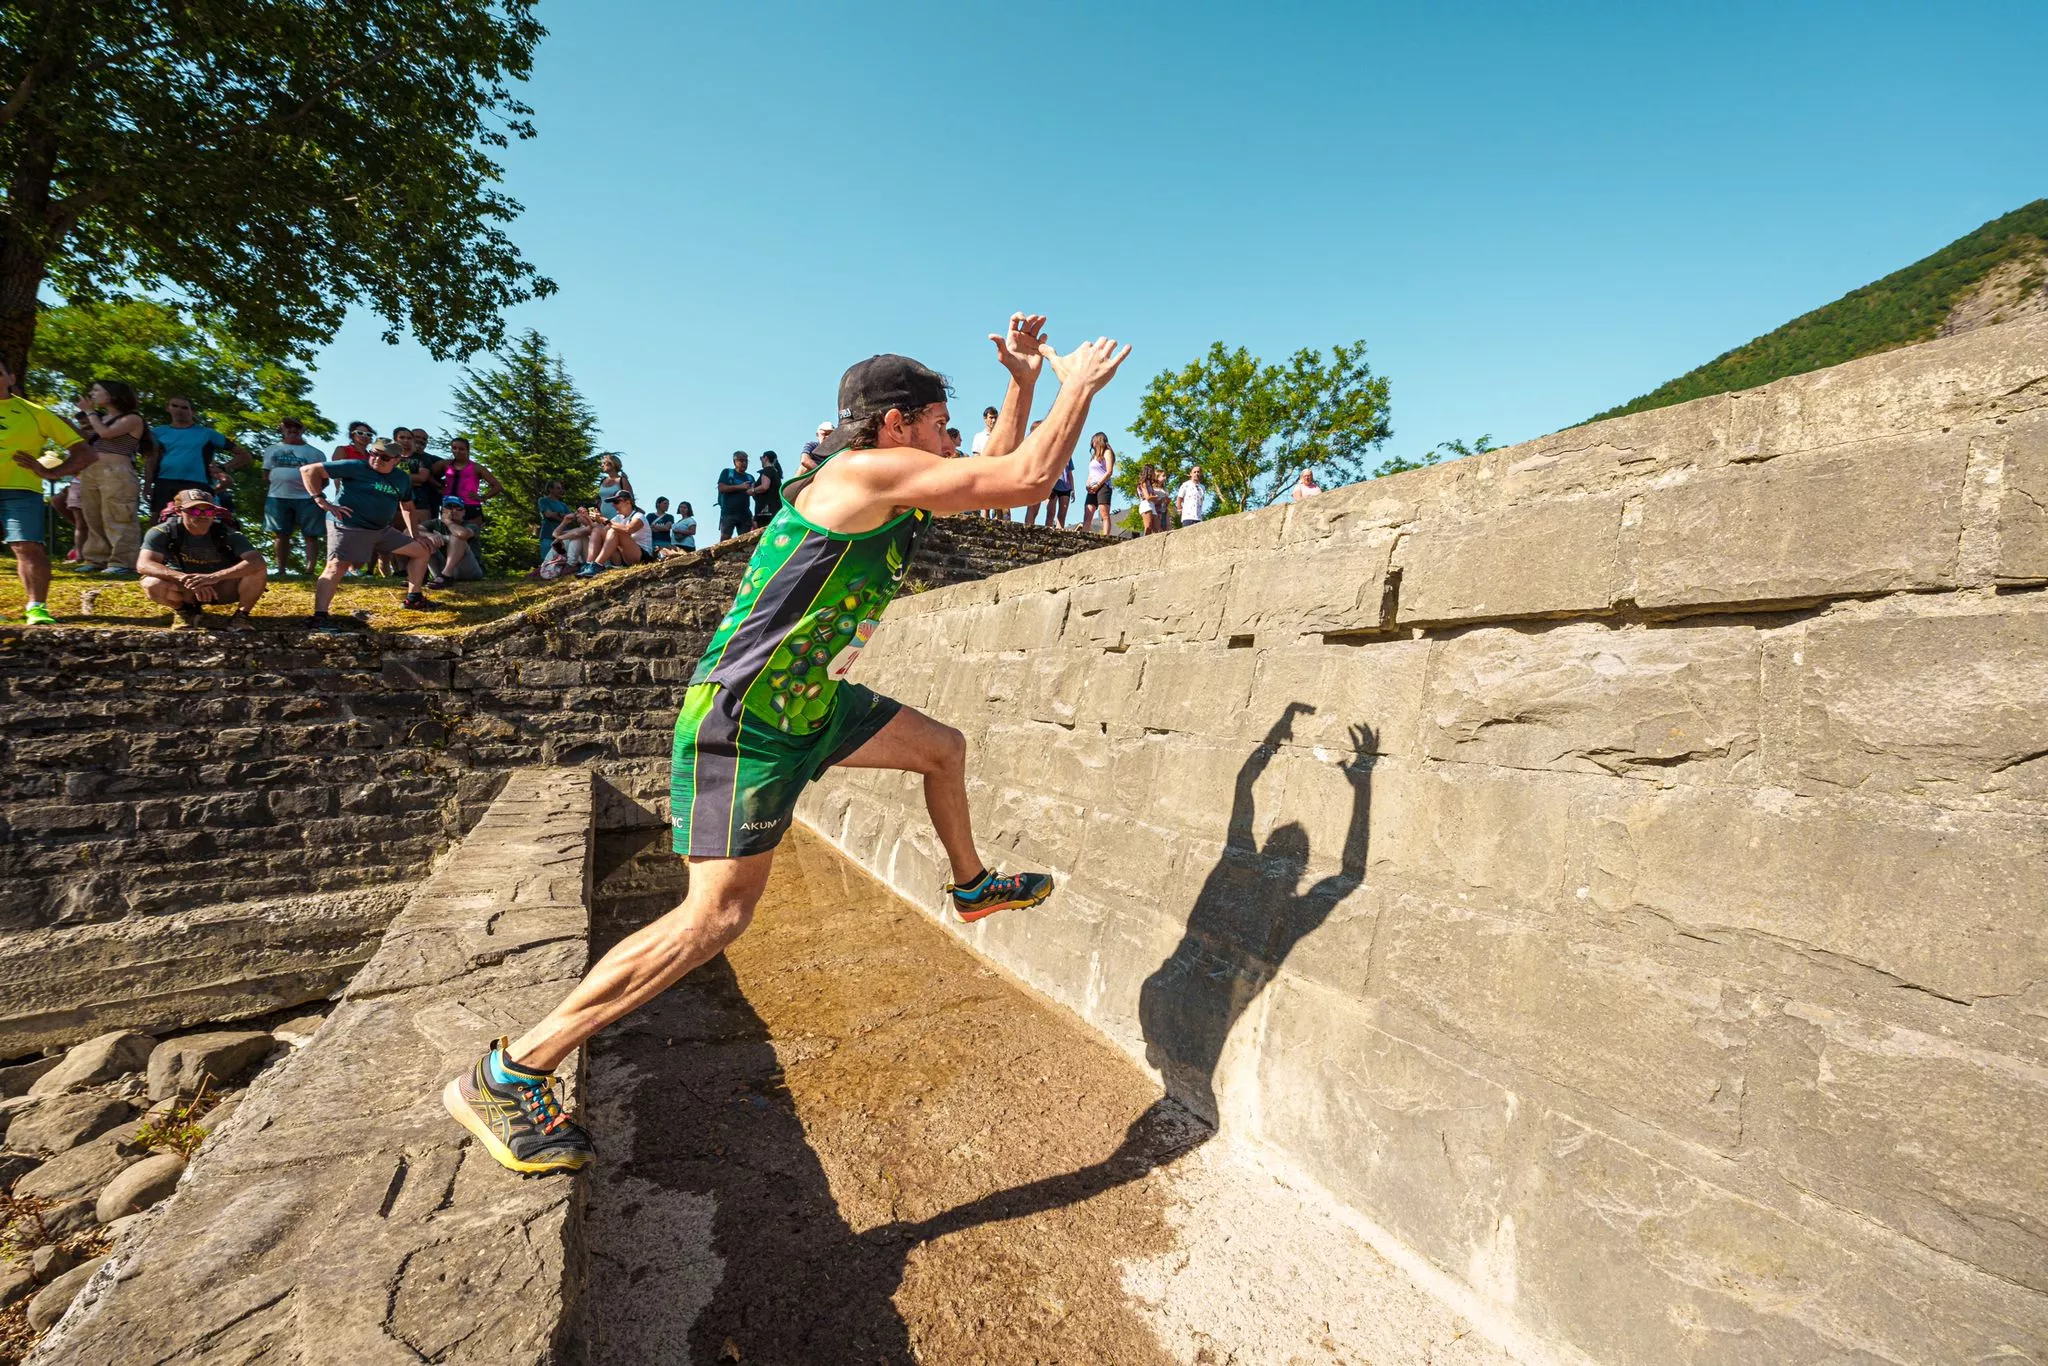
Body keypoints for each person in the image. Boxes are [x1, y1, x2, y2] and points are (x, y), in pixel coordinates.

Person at [441, 313, 1132, 1177]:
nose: (950, 440)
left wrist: (1023, 381)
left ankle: (972, 887)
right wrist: (1078, 387)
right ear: (895, 425)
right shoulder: (865, 473)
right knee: (716, 917)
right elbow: (1025, 478)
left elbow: (991, 462)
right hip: (750, 717)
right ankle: (514, 1072)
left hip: (812, 703)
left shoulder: (880, 468)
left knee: (941, 748)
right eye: (937, 423)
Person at [0, 357, 95, 625]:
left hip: (21, 490)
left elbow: (85, 451)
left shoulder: (36, 412)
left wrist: (52, 472)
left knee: (28, 547)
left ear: (11, 379)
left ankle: (36, 608)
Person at [301, 440, 434, 626]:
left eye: (384, 457)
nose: (377, 459)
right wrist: (320, 500)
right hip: (348, 526)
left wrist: (415, 535)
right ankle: (319, 616)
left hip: (380, 530)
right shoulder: (355, 466)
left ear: (396, 460)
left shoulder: (402, 478)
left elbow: (408, 507)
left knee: (421, 550)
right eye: (374, 453)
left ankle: (414, 598)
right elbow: (308, 470)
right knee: (336, 566)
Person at [137, 489, 269, 629]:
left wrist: (213, 577)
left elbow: (257, 561)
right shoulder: (162, 532)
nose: (202, 515)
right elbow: (144, 564)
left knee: (258, 571)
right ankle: (184, 611)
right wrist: (184, 578)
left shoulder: (227, 533)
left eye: (208, 511)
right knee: (151, 583)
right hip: (184, 588)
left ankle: (241, 617)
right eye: (194, 511)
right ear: (178, 511)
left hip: (222, 587)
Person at [70, 380, 147, 575]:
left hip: (117, 470)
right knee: (93, 516)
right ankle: (96, 559)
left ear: (112, 394)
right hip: (91, 470)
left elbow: (106, 434)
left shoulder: (133, 418)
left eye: (96, 390)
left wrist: (89, 412)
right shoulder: (100, 418)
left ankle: (123, 561)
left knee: (118, 515)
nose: (91, 393)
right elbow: (86, 440)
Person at [148, 397, 245, 517]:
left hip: (198, 484)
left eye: (184, 408)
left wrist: (223, 468)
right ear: (168, 408)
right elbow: (149, 459)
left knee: (197, 523)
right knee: (158, 520)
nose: (179, 410)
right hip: (164, 482)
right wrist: (147, 485)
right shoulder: (156, 432)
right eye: (175, 406)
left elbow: (244, 455)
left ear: (192, 412)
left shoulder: (208, 433)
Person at [260, 417, 328, 576]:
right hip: (277, 497)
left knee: (311, 534)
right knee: (280, 534)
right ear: (281, 428)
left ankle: (309, 571)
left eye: (297, 427)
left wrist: (312, 491)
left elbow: (325, 480)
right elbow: (265, 474)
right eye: (288, 427)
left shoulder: (315, 453)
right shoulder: (271, 449)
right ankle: (281, 570)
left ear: (303, 429)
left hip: (308, 498)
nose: (293, 430)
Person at [579, 488, 651, 575]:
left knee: (615, 531)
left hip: (641, 557)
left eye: (616, 502)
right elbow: (602, 531)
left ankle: (597, 565)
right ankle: (589, 564)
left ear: (628, 502)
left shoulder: (639, 516)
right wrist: (590, 518)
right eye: (613, 502)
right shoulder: (618, 518)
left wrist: (604, 520)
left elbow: (628, 529)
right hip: (623, 557)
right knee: (597, 530)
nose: (613, 505)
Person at [425, 497, 484, 586]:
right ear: (443, 510)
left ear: (463, 512)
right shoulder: (434, 523)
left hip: (469, 571)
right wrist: (429, 535)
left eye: (458, 508)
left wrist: (448, 522)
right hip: (439, 570)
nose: (454, 510)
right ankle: (419, 576)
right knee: (423, 539)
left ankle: (446, 576)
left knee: (457, 537)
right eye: (449, 507)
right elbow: (409, 532)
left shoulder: (471, 525)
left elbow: (462, 534)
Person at [1082, 431, 1116, 534]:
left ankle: (1106, 536)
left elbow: (1109, 471)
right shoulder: (1094, 456)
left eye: (1094, 441)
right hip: (1092, 487)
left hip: (1103, 486)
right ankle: (1084, 535)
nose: (1092, 443)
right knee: (1088, 513)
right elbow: (1091, 473)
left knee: (1104, 513)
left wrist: (1098, 484)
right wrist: (1088, 484)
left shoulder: (1107, 452)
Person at [716, 451, 755, 540]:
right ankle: (723, 554)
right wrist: (740, 487)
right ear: (735, 462)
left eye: (746, 461)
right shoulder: (727, 472)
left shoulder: (750, 477)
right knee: (725, 538)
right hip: (728, 512)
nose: (744, 463)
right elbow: (721, 488)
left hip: (745, 514)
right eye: (741, 460)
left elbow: (754, 493)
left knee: (746, 540)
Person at [537, 480, 573, 567]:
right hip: (547, 534)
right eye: (558, 488)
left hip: (562, 536)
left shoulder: (563, 505)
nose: (561, 490)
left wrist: (556, 515)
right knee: (547, 560)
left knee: (561, 560)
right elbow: (548, 514)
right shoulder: (543, 500)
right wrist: (562, 516)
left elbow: (571, 518)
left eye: (561, 488)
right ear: (550, 489)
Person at [752, 451, 784, 526]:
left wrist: (752, 490)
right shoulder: (775, 473)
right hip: (776, 511)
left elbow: (764, 487)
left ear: (765, 458)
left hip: (765, 512)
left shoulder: (767, 470)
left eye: (761, 458)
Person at [596, 454, 631, 519]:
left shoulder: (622, 481)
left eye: (604, 463)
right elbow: (601, 500)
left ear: (612, 465)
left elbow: (630, 500)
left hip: (619, 518)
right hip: (604, 518)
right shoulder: (603, 481)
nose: (602, 465)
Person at [1137, 464, 1168, 534]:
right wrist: (1156, 497)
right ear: (1150, 472)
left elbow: (1151, 498)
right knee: (1148, 526)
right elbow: (1148, 497)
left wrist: (1161, 500)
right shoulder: (1143, 483)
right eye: (1153, 471)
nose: (1154, 473)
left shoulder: (1149, 484)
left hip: (1152, 505)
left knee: (1157, 529)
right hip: (1146, 505)